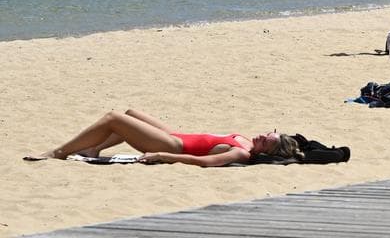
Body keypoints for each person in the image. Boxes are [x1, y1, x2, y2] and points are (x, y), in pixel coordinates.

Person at [24, 108, 300, 166]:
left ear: (264, 152)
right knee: (129, 113)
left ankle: (57, 152)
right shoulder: (245, 140)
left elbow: (202, 162)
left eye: (266, 141)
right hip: (174, 134)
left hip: (170, 144)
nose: (262, 136)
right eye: (268, 133)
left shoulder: (242, 152)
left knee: (114, 119)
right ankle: (93, 149)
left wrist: (162, 156)